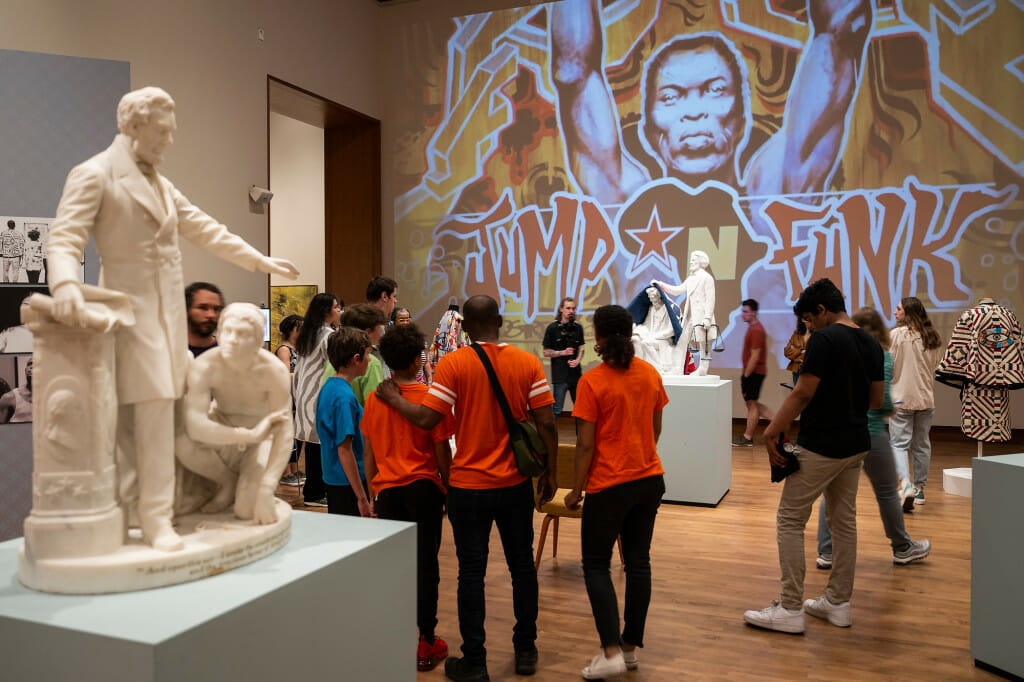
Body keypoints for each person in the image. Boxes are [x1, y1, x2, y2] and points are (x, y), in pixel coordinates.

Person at [45, 86, 298, 551]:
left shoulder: (161, 184)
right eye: (163, 132)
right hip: (129, 321)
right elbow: (63, 241)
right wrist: (63, 286)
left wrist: (260, 261)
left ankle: (153, 513)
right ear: (134, 127)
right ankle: (149, 518)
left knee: (157, 424)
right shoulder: (95, 175)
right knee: (139, 427)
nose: (170, 141)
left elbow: (206, 229)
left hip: (165, 325)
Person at [550, 0, 873, 361]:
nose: (694, 111)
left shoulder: (776, 191)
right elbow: (574, 72)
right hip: (655, 380)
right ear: (651, 126)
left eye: (715, 90)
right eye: (671, 97)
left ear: (740, 117)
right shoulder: (627, 199)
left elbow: (840, 35)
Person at [376, 294, 559, 682]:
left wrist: (393, 397)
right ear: (502, 322)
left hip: (468, 486)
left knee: (471, 573)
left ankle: (474, 660)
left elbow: (427, 419)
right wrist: (550, 472)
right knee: (522, 567)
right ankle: (525, 649)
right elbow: (546, 423)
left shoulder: (454, 364)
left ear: (464, 327)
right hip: (513, 484)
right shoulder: (527, 362)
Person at [743, 278, 882, 634]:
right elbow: (876, 401)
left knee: (789, 520)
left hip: (823, 443)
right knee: (843, 521)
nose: (807, 327)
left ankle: (790, 607)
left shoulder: (824, 338)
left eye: (808, 319)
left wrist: (772, 430)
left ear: (821, 310)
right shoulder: (870, 342)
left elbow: (803, 392)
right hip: (856, 443)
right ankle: (838, 603)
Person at [563, 304, 668, 679]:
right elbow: (655, 430)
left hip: (609, 486)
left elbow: (586, 446)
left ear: (600, 338)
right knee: (639, 563)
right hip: (649, 480)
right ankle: (628, 649)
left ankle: (610, 652)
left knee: (596, 565)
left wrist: (576, 489)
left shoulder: (592, 382)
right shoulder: (651, 374)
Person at [362, 324, 455, 672]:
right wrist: (449, 489)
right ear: (418, 360)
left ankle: (396, 634)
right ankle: (426, 640)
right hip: (424, 489)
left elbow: (369, 453)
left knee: (398, 568)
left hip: (388, 491)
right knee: (426, 566)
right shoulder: (429, 398)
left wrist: (374, 491)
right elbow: (442, 451)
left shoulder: (374, 398)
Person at [815, 307, 931, 569]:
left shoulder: (839, 355)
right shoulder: (882, 356)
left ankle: (826, 552)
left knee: (831, 495)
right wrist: (893, 409)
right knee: (888, 492)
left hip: (841, 431)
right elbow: (881, 403)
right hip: (872, 433)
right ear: (880, 329)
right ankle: (902, 547)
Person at [175, 303, 292, 522]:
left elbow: (284, 431)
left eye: (243, 334)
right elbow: (195, 424)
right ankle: (226, 481)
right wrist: (246, 435)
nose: (232, 339)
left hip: (262, 438)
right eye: (227, 331)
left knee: (246, 511)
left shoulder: (273, 371)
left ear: (258, 339)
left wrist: (267, 486)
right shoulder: (205, 365)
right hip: (228, 430)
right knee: (182, 442)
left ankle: (244, 484)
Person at [889, 296, 943, 508]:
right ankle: (919, 490)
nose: (895, 312)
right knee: (921, 445)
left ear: (908, 313)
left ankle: (906, 485)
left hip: (901, 398)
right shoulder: (932, 337)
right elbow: (934, 366)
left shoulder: (896, 335)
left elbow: (888, 365)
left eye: (898, 309)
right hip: (925, 399)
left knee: (899, 445)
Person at [316, 326, 373, 516]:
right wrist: (362, 497)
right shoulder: (343, 398)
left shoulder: (330, 386)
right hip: (347, 481)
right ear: (356, 359)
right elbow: (344, 449)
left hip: (336, 477)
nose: (369, 360)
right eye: (367, 355)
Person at [293, 292, 342, 507]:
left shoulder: (309, 333)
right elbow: (333, 365)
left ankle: (313, 491)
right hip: (317, 394)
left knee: (313, 444)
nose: (339, 310)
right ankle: (314, 493)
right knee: (318, 445)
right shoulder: (327, 335)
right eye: (336, 307)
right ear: (326, 311)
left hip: (304, 394)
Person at [652, 250, 717, 375]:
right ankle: (677, 368)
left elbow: (710, 299)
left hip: (702, 317)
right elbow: (678, 290)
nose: (691, 262)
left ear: (700, 262)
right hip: (690, 316)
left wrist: (708, 318)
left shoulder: (707, 278)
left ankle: (703, 368)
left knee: (704, 344)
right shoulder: (691, 279)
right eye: (691, 260)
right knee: (682, 341)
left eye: (694, 260)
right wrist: (661, 285)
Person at [733, 299, 774, 446]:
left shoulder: (756, 330)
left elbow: (755, 355)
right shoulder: (753, 328)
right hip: (754, 372)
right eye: (742, 311)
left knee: (752, 405)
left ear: (754, 313)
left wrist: (746, 375)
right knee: (752, 403)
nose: (742, 314)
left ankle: (748, 437)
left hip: (754, 372)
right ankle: (779, 424)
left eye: (745, 312)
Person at [542, 297, 585, 418]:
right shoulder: (552, 328)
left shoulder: (578, 328)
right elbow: (546, 352)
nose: (571, 311)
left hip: (575, 375)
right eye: (568, 308)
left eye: (573, 308)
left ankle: (580, 437)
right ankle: (550, 437)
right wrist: (562, 353)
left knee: (580, 410)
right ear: (561, 309)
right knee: (556, 410)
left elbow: (581, 347)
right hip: (560, 376)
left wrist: (577, 360)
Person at [275, 314, 304, 487]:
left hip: (297, 394)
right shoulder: (284, 349)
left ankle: (293, 468)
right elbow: (285, 374)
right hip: (287, 395)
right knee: (287, 433)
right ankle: (285, 472)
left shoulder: (299, 348)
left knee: (295, 433)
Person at [340, 303, 389, 405]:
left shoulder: (332, 359)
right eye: (380, 327)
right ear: (367, 332)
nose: (382, 332)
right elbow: (375, 407)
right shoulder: (370, 362)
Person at [185, 281, 224, 357]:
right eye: (203, 308)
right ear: (186, 310)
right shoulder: (171, 350)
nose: (211, 315)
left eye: (216, 309)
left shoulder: (226, 351)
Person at [395, 306, 432, 384]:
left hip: (420, 385)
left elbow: (426, 363)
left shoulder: (420, 339)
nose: (405, 322)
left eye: (407, 320)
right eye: (401, 320)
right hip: (399, 387)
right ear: (393, 322)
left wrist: (430, 382)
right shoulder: (390, 342)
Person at [0, 359, 32, 423]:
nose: (32, 366)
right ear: (25, 370)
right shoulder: (8, 398)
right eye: (30, 364)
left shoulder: (50, 398)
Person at [783, 318, 809, 386]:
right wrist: (800, 351)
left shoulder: (818, 334)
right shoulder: (797, 333)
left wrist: (795, 350)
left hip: (809, 371)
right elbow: (787, 352)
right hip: (797, 370)